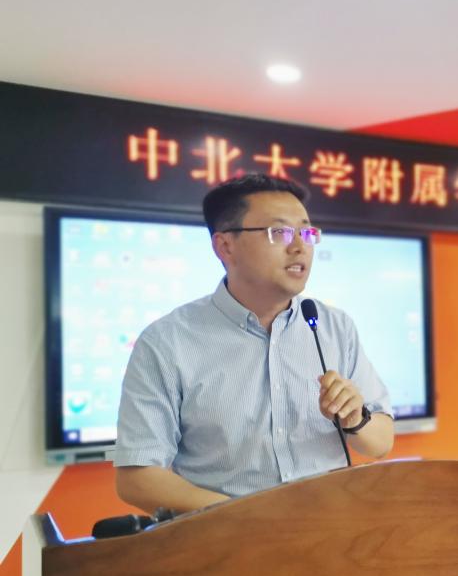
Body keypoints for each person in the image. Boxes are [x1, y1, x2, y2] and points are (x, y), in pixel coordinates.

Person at [113, 174, 394, 513]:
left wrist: (355, 419)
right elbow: (138, 477)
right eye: (280, 232)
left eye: (306, 233)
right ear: (225, 246)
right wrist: (246, 518)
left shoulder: (334, 327)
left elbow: (380, 443)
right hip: (228, 538)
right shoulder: (167, 341)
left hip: (330, 529)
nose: (300, 246)